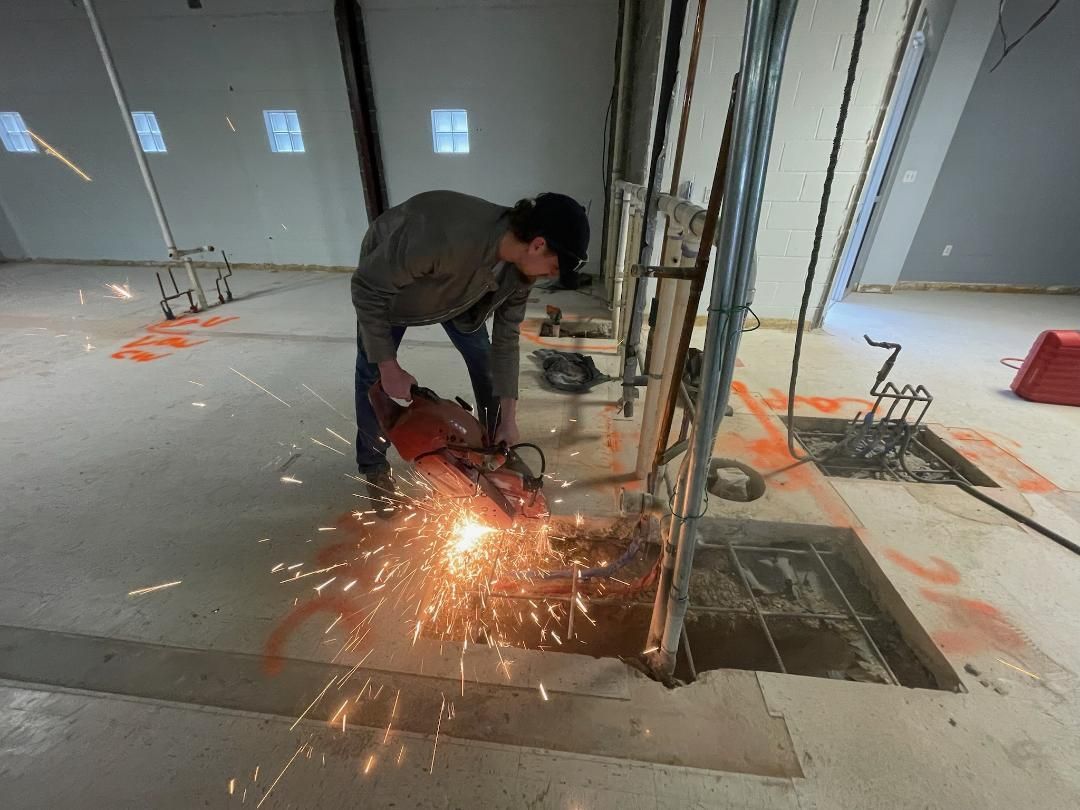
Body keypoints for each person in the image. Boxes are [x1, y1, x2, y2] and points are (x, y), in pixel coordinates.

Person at [352, 189, 590, 496]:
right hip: (395, 292)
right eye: (553, 268)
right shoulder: (443, 236)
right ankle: (373, 466)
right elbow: (367, 287)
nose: (548, 276)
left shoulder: (520, 272)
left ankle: (495, 449)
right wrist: (389, 367)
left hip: (460, 293)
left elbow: (506, 340)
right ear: (538, 244)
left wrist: (509, 419)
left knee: (485, 362)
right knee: (373, 375)